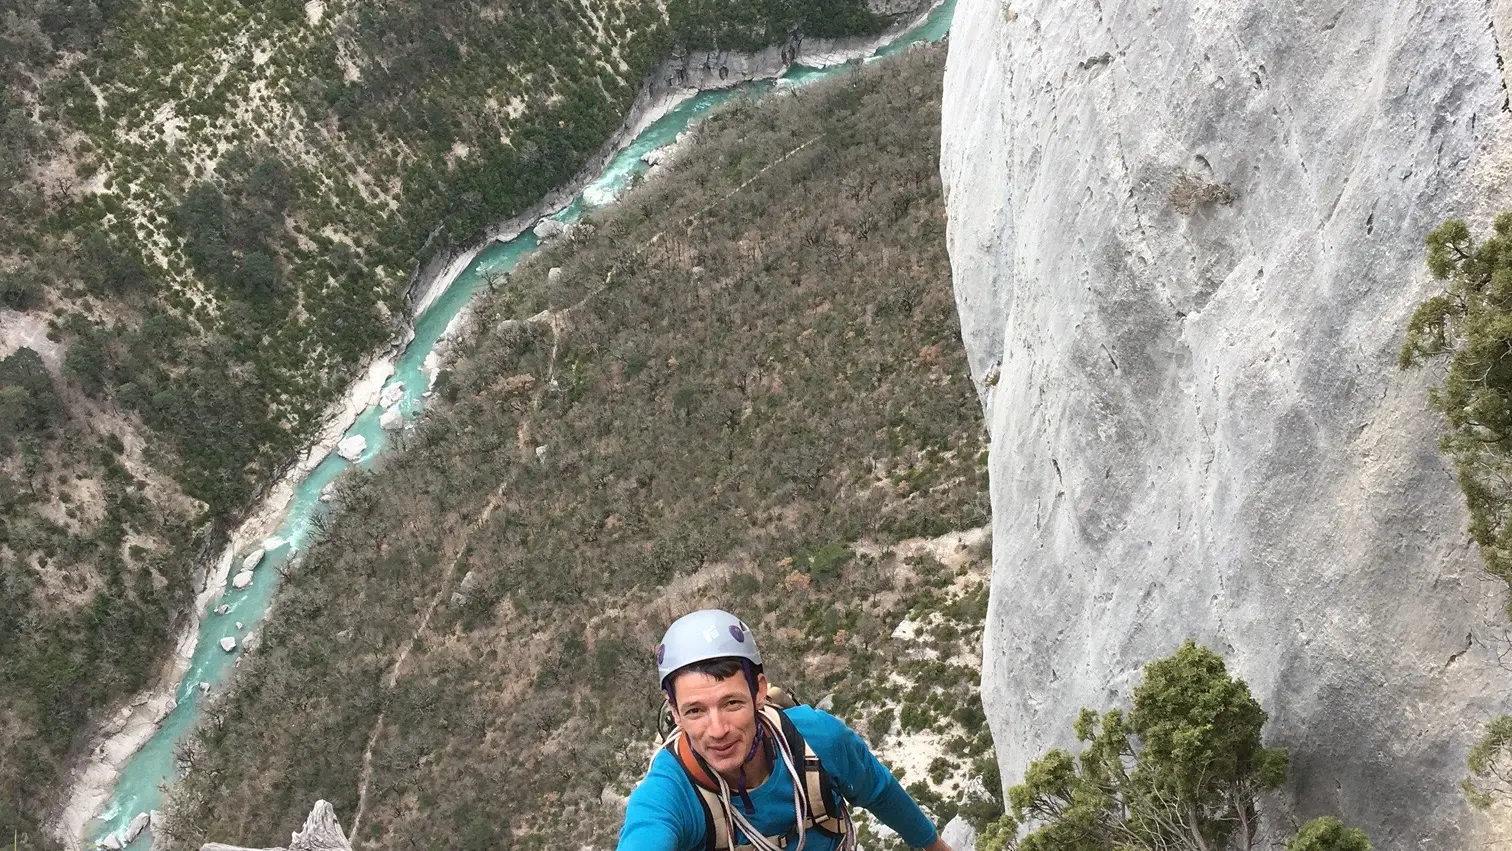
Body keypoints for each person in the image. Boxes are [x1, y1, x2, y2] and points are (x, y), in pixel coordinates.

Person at [617, 609, 957, 851]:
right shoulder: (671, 793)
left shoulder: (817, 741)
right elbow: (646, 833)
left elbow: (880, 793)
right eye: (695, 711)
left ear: (759, 692)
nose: (717, 730)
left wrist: (936, 847)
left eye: (732, 703)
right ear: (674, 712)